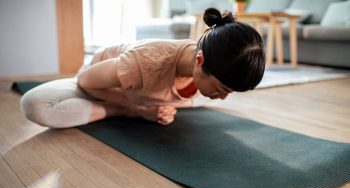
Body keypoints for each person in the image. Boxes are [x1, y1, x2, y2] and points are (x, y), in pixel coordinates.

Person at [20, 8, 265, 128]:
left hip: (144, 90)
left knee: (193, 100)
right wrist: (138, 109)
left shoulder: (211, 60)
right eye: (222, 89)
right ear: (199, 61)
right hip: (101, 80)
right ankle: (118, 110)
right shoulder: (147, 62)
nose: (222, 98)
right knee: (36, 105)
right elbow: (85, 80)